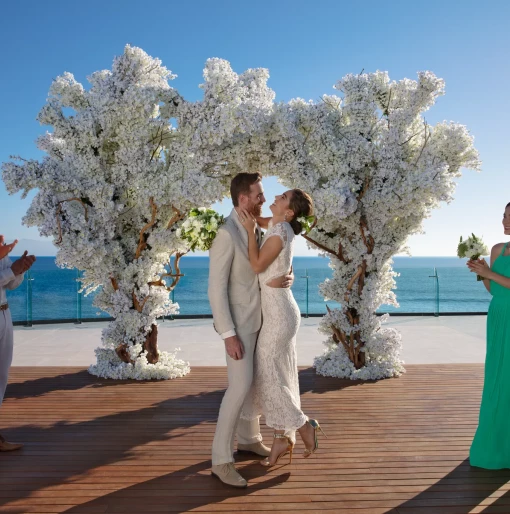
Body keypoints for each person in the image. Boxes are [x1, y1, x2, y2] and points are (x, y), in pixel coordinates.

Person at [208, 172, 294, 488]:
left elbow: (274, 258)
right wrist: (227, 334)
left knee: (252, 384)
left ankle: (248, 438)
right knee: (238, 387)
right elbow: (215, 290)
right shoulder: (226, 234)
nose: (263, 199)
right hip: (239, 326)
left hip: (262, 319)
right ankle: (221, 460)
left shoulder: (256, 226)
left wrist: (289, 275)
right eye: (258, 194)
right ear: (243, 198)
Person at [238, 189, 326, 468]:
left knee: (269, 374)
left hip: (279, 315)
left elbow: (255, 265)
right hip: (279, 310)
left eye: (283, 196)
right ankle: (280, 437)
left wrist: (250, 232)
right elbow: (267, 224)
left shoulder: (279, 232)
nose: (276, 195)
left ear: (289, 212)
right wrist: (254, 219)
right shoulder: (280, 226)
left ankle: (304, 425)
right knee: (279, 375)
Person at [468, 201, 510, 469]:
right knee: (497, 378)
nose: (505, 221)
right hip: (498, 317)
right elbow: (493, 289)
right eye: (504, 216)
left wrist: (489, 272)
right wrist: (481, 271)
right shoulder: (498, 249)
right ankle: (493, 448)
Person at [0, 236, 36, 451]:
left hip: (4, 316)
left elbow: (10, 284)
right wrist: (10, 269)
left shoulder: (1, 249)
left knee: (2, 376)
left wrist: (20, 269)